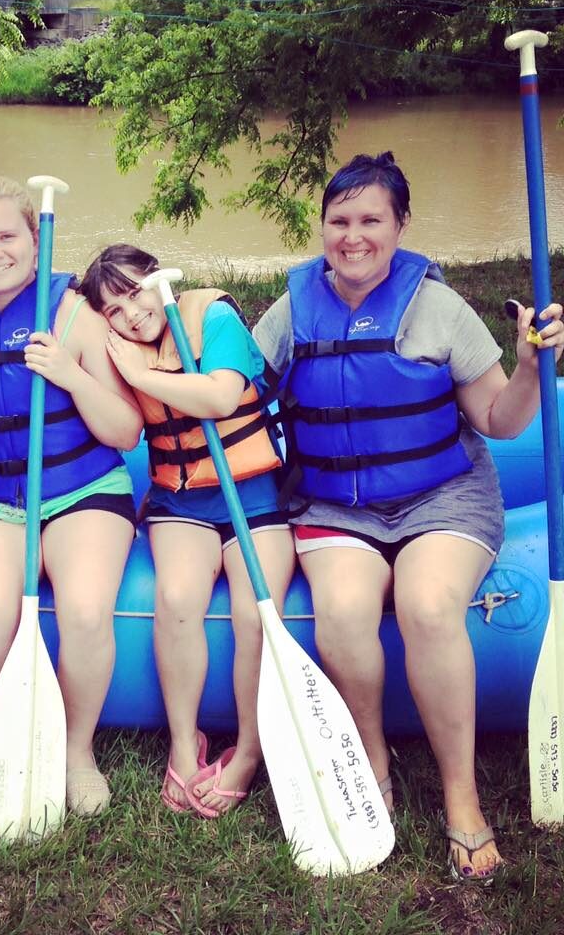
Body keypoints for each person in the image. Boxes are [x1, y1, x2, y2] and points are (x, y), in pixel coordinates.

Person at [252, 151, 564, 881]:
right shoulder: (292, 308)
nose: (353, 236)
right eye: (339, 220)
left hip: (443, 495)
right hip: (334, 502)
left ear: (400, 226)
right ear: (321, 226)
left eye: (371, 220)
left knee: (427, 607)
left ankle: (462, 796)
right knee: (344, 614)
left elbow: (500, 420)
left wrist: (527, 369)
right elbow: (237, 386)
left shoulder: (439, 307)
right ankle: (373, 761)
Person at [0, 176, 143, 816]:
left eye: (7, 235)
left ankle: (77, 752)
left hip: (84, 490)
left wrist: (70, 374)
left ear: (33, 236)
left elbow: (125, 429)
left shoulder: (71, 310)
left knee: (83, 612)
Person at [79, 245, 294, 817]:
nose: (130, 315)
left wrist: (141, 374)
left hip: (254, 495)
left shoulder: (212, 315)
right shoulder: (118, 349)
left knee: (255, 612)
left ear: (157, 279)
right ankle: (184, 741)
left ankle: (248, 750)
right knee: (176, 599)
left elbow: (222, 395)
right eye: (113, 311)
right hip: (182, 500)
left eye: (133, 293)